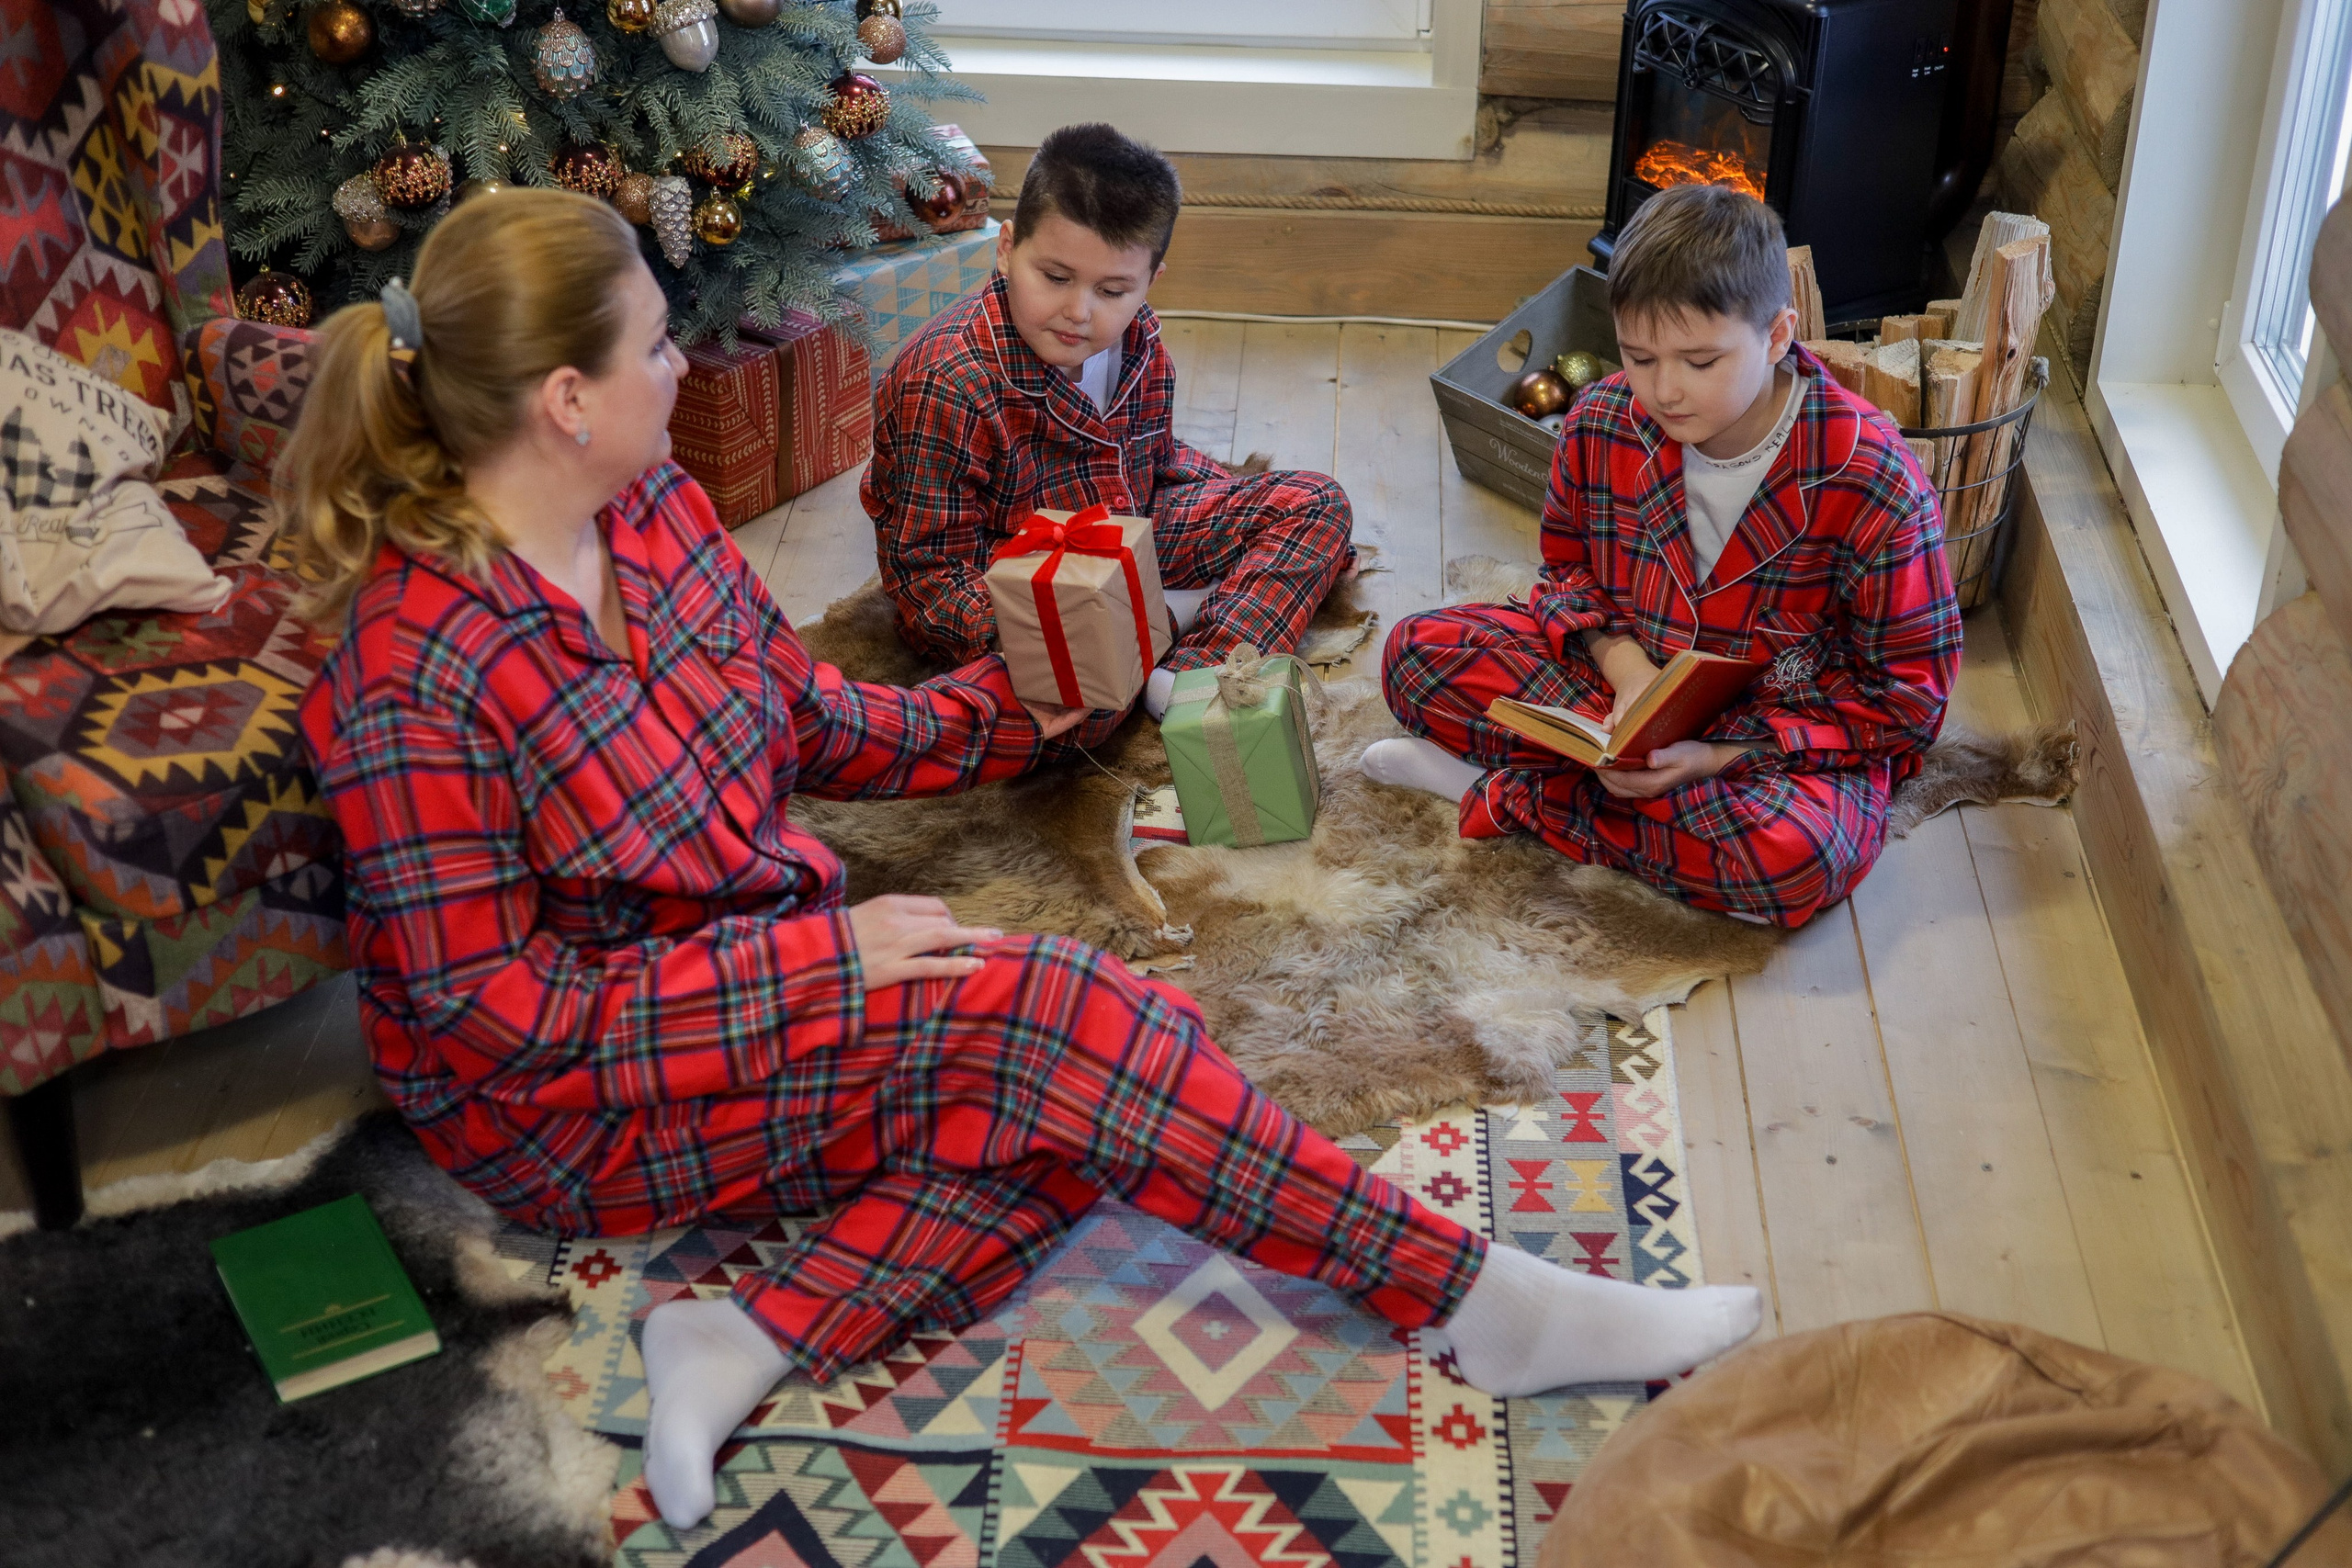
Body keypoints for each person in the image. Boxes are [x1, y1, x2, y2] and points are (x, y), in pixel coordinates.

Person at [281, 187, 1761, 1533]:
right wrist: (818, 956)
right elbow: (498, 1012)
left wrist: (1018, 711)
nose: (686, 366)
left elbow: (806, 717)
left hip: (758, 975)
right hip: (572, 1104)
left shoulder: (653, 510)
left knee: (1124, 1065)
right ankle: (1477, 1298)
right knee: (1083, 1039)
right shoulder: (411, 671)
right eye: (659, 348)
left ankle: (754, 1326)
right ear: (564, 400)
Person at [1367, 184, 1963, 927]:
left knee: (1794, 857)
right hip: (1627, 683)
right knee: (1414, 656)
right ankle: (1625, 801)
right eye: (1639, 356)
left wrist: (1721, 756)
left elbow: (1907, 700)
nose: (1665, 389)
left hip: (1771, 738)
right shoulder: (1601, 420)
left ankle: (1507, 794)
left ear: (1778, 337)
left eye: (1700, 361)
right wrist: (1628, 676)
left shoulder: (1871, 477)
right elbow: (1568, 575)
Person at [864, 122, 1356, 728]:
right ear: (1006, 248)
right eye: (1055, 277)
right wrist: (1071, 636)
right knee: (1074, 715)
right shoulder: (945, 383)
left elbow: (1154, 463)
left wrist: (1256, 518)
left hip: (1127, 533)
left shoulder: (1141, 344)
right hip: (1025, 589)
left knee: (1315, 503)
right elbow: (928, 582)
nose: (1079, 312)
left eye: (1114, 289)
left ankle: (1188, 672)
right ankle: (1162, 633)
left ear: (1151, 283)